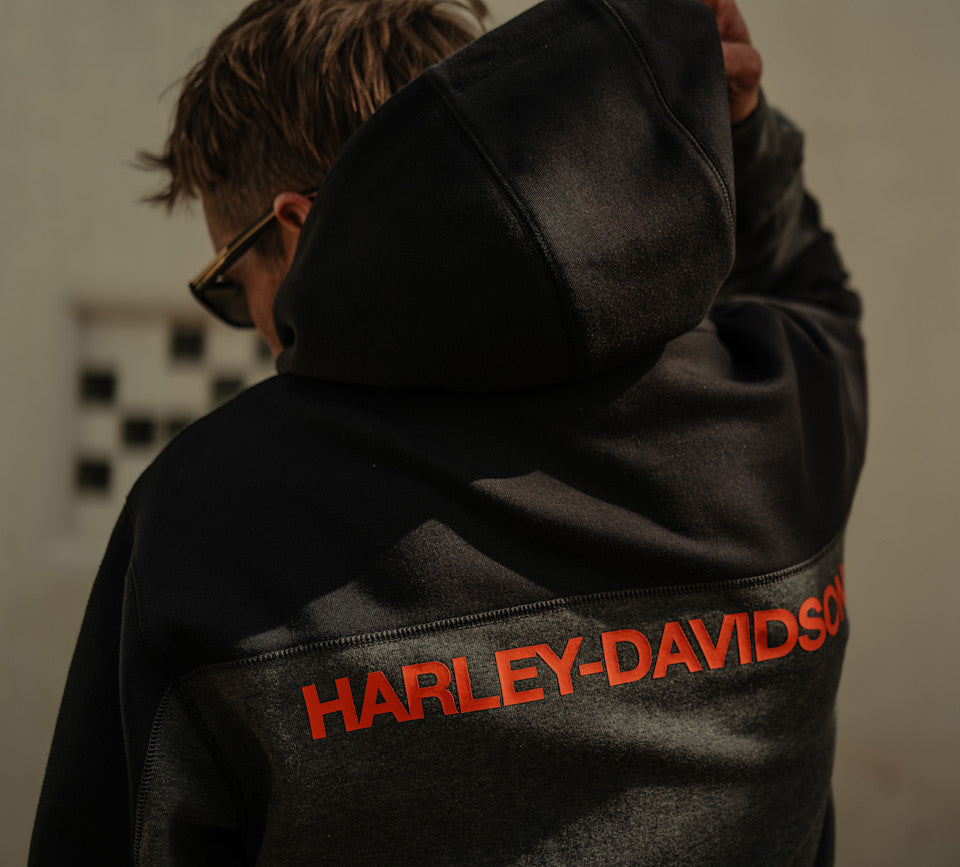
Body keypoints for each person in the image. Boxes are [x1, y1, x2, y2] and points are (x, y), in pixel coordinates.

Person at [29, 0, 866, 862]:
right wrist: (741, 137)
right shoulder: (781, 400)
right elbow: (810, 281)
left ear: (299, 226)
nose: (252, 324)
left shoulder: (208, 514)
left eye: (231, 284)